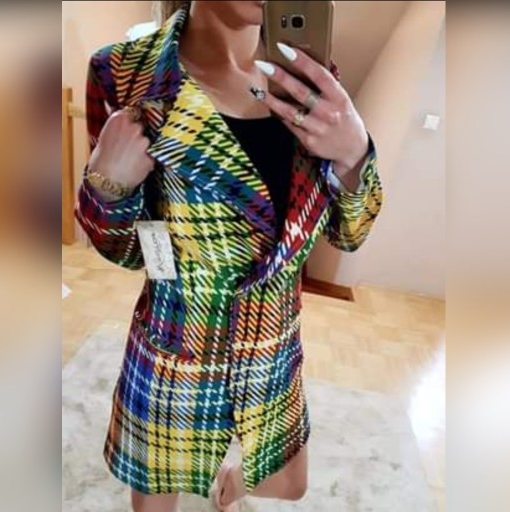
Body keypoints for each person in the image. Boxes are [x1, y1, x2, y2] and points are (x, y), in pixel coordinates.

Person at [74, 1, 383, 511]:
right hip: (176, 347)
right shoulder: (124, 72)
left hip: (273, 345)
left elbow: (350, 234)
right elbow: (130, 250)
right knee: (154, 502)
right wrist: (109, 187)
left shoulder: (305, 76)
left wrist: (354, 157)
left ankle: (233, 480)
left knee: (290, 484)